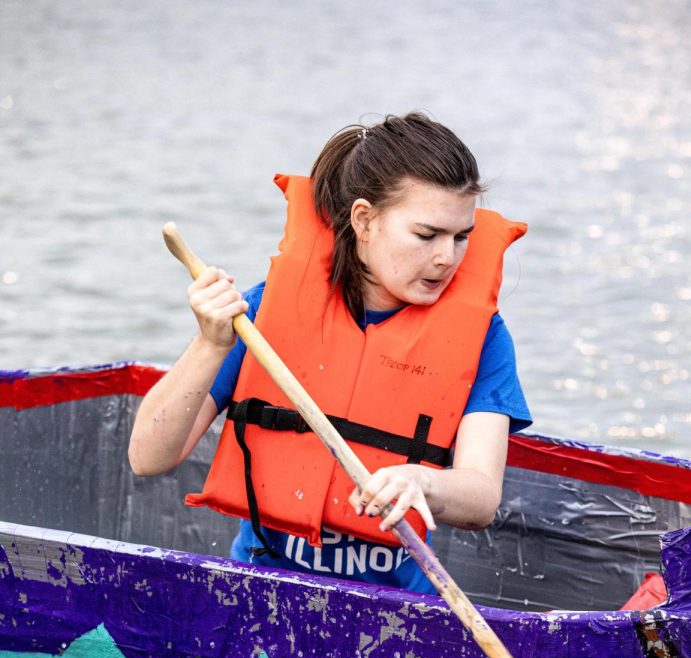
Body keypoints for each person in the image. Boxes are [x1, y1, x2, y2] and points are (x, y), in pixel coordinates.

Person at [128, 112, 531, 594]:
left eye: (461, 236)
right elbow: (147, 457)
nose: (447, 257)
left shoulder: (484, 338)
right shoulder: (263, 312)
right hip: (261, 587)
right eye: (427, 235)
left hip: (395, 608)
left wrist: (424, 484)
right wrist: (211, 342)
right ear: (364, 219)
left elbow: (482, 497)